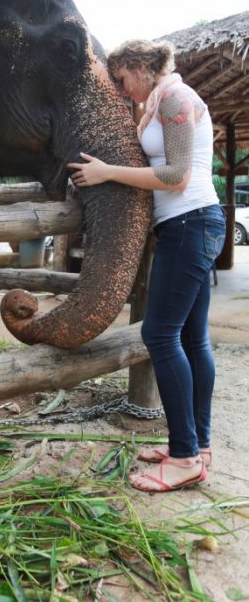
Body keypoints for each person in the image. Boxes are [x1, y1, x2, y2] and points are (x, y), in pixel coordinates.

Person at [67, 39, 226, 493]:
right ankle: (198, 446)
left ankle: (183, 457)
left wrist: (107, 172)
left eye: (121, 79)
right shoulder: (160, 101)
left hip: (191, 224)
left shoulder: (175, 98)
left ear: (139, 68)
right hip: (190, 226)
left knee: (159, 334)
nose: (121, 89)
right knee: (193, 339)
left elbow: (177, 176)